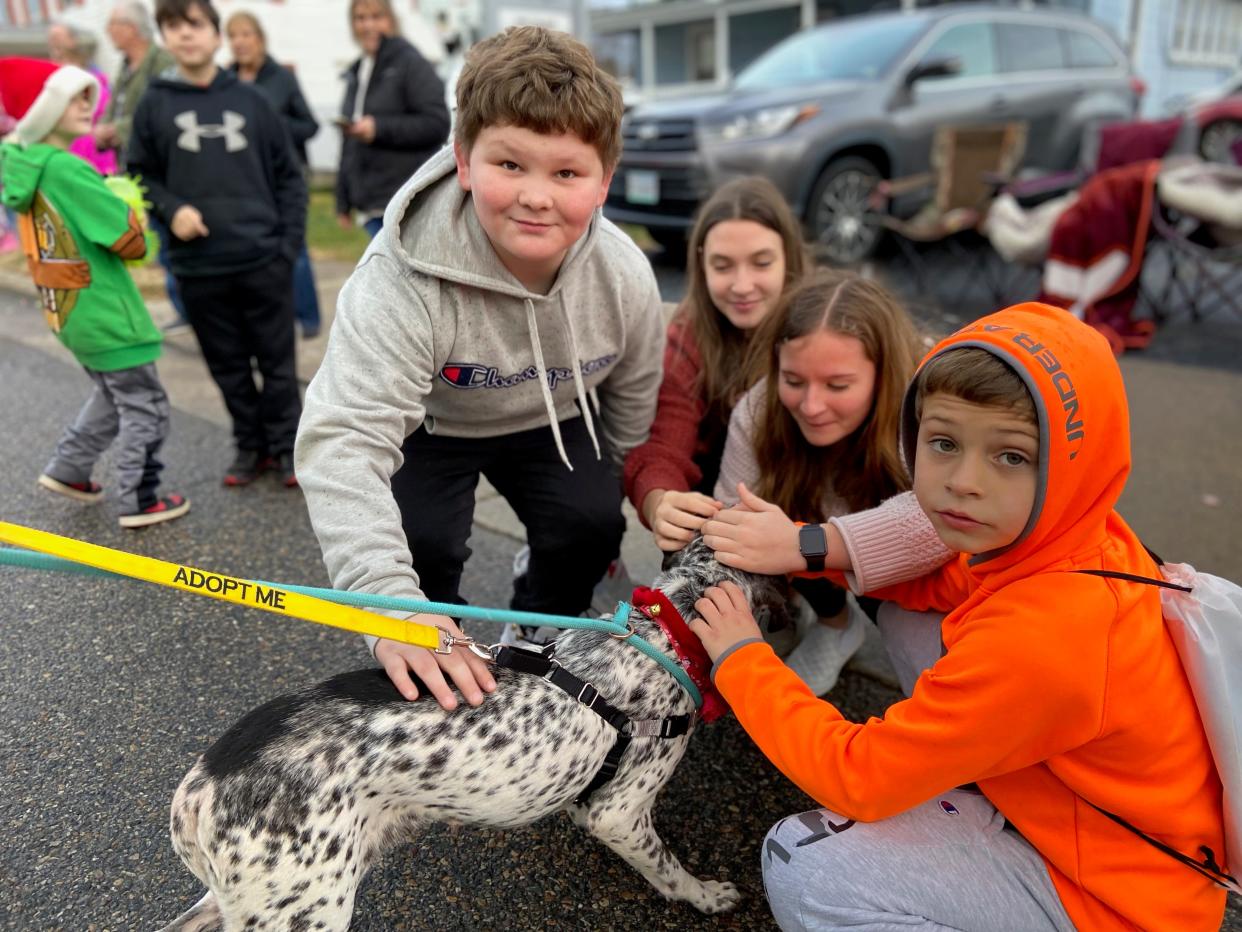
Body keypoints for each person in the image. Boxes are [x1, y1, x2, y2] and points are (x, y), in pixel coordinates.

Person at [693, 303, 1227, 930]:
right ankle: (968, 780)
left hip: (1112, 900)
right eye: (944, 443)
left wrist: (741, 656)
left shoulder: (1040, 642)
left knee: (803, 866)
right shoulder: (1087, 538)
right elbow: (956, 580)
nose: (963, 482)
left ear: (1073, 465)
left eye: (1011, 457)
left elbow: (857, 776)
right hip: (1105, 824)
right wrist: (811, 553)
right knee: (902, 617)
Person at [296, 26, 664, 711]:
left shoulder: (623, 274)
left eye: (566, 173)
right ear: (463, 161)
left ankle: (535, 634)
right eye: (510, 165)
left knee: (589, 526)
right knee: (420, 545)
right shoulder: (398, 279)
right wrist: (390, 606)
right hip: (433, 421)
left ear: (603, 182)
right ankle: (440, 651)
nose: (536, 197)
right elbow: (342, 439)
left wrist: (617, 468)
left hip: (552, 415)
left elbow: (634, 388)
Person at [712, 269, 927, 694]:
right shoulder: (759, 410)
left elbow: (941, 525)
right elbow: (732, 514)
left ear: (883, 374)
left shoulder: (929, 408)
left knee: (931, 674)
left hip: (925, 580)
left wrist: (805, 543)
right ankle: (835, 624)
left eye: (838, 385)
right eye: (793, 381)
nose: (810, 406)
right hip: (816, 562)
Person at [0, 58, 189, 528]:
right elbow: (129, 241)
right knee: (146, 404)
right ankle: (139, 499)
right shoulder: (66, 169)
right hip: (106, 309)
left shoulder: (25, 163)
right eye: (72, 98)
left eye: (88, 95)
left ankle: (69, 469)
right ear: (44, 109)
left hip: (69, 310)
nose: (88, 105)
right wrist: (130, 210)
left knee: (112, 392)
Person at [127, 0, 306, 488]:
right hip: (197, 266)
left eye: (195, 25)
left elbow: (291, 177)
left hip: (262, 258)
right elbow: (139, 173)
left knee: (277, 363)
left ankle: (288, 446)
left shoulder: (252, 101)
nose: (185, 35)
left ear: (214, 33)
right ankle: (250, 447)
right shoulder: (155, 103)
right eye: (173, 26)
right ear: (164, 36)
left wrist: (286, 247)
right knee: (227, 365)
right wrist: (170, 208)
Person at [623, 176, 808, 553]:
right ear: (701, 264)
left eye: (761, 263)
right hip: (726, 507)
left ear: (789, 258)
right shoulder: (689, 336)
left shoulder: (824, 323)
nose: (742, 285)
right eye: (723, 266)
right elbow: (665, 444)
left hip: (818, 502)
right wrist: (661, 502)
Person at [224, 10, 322, 339]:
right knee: (253, 252)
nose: (239, 42)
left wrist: (271, 127)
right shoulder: (225, 80)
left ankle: (308, 317)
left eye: (245, 34)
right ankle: (267, 318)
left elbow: (309, 125)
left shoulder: (281, 77)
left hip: (282, 178)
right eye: (233, 36)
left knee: (294, 252)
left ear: (260, 39)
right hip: (240, 181)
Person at [93, 1, 186, 334]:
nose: (109, 32)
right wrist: (104, 129)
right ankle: (181, 308)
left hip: (162, 169)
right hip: (131, 170)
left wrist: (116, 130)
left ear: (131, 28)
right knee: (156, 242)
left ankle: (188, 309)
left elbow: (161, 109)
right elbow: (114, 108)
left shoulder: (160, 62)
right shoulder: (125, 66)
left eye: (113, 25)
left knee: (169, 240)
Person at [335, 0, 450, 239]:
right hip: (370, 204)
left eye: (376, 16)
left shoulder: (411, 63)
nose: (368, 25)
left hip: (405, 204)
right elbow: (348, 143)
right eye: (360, 18)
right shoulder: (357, 70)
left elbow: (437, 123)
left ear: (391, 20)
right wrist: (343, 199)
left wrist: (379, 128)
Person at [46, 23, 117, 176]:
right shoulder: (51, 75)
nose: (53, 40)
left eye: (58, 36)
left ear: (73, 40)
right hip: (69, 154)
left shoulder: (93, 76)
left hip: (96, 154)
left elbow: (104, 110)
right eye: (51, 37)